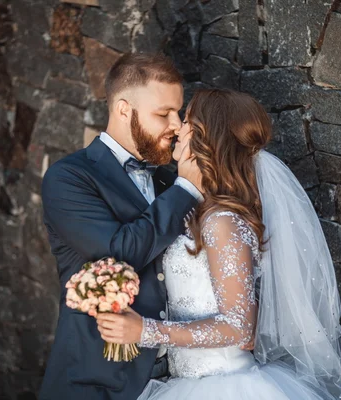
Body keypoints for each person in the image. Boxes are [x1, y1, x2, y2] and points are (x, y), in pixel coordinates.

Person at [95, 89, 341, 400]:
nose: (177, 129)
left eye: (186, 121)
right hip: (186, 382)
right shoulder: (196, 209)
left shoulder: (221, 222)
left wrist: (145, 331)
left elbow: (240, 327)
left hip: (225, 385)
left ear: (206, 136)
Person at [38, 53, 205, 400]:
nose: (176, 125)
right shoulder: (69, 177)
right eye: (163, 114)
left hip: (179, 377)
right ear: (123, 110)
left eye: (178, 112)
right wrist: (186, 190)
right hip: (99, 379)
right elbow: (118, 252)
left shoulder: (168, 179)